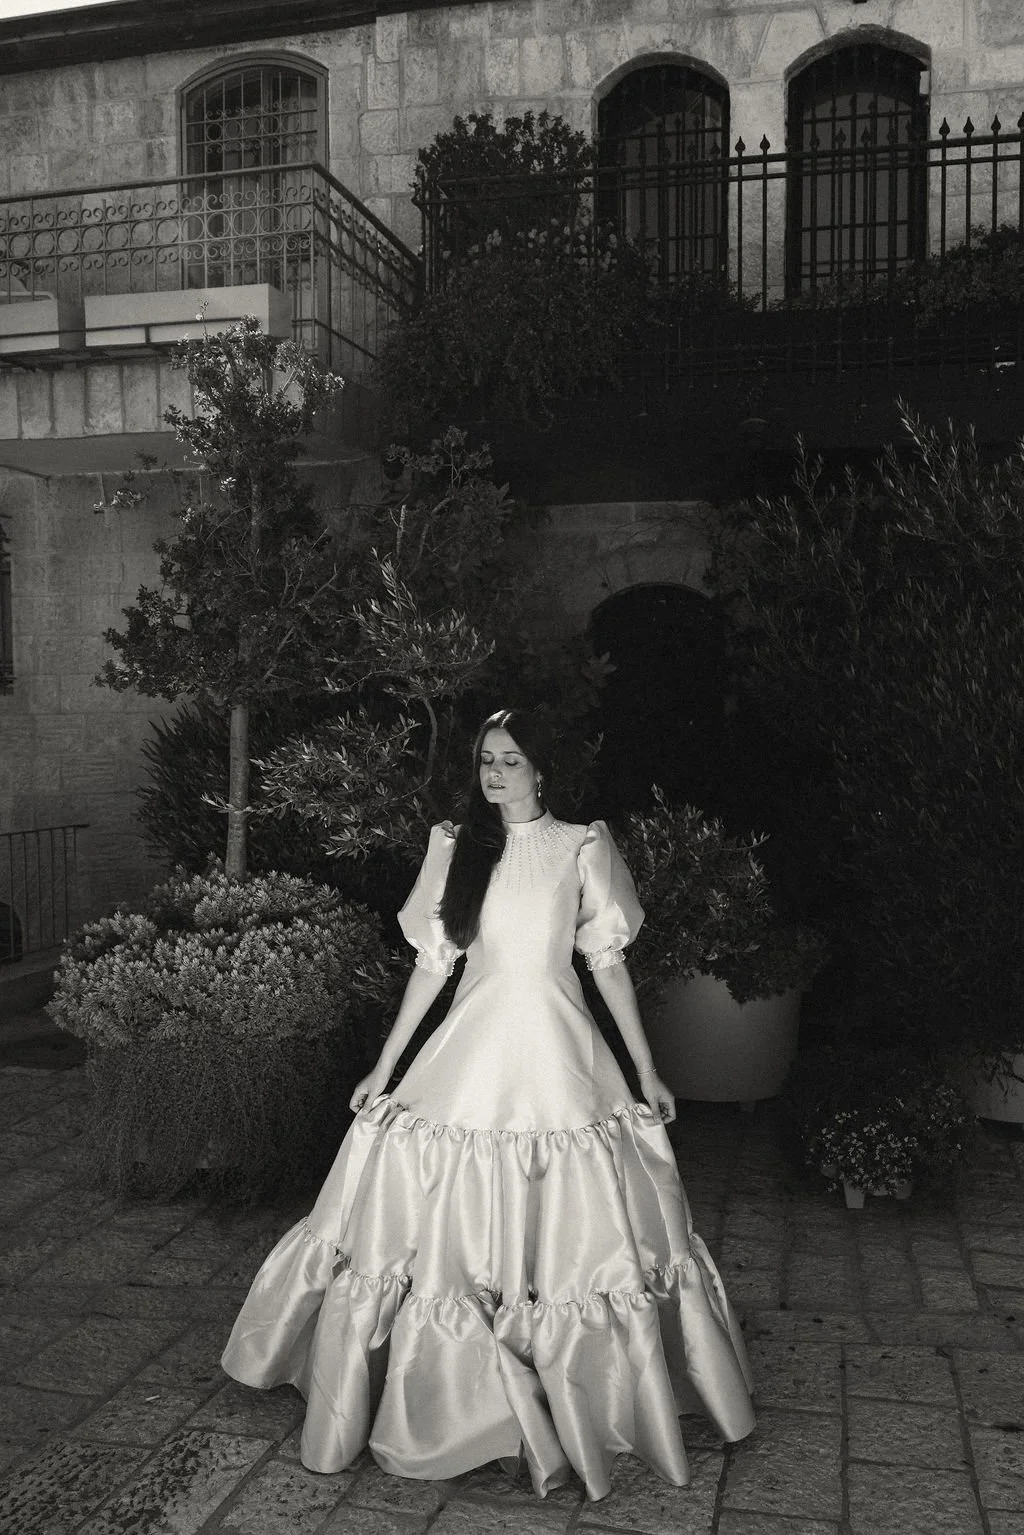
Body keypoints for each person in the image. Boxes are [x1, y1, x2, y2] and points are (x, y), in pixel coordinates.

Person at [221, 707, 755, 1501]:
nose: (494, 772)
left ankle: (578, 1385)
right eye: (485, 759)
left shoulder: (582, 845)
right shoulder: (453, 847)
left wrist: (645, 1070)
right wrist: (386, 1064)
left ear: (543, 770)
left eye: (510, 759)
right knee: (442, 1233)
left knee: (583, 1237)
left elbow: (606, 965)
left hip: (561, 1061)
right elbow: (433, 968)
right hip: (469, 1058)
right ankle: (463, 1403)